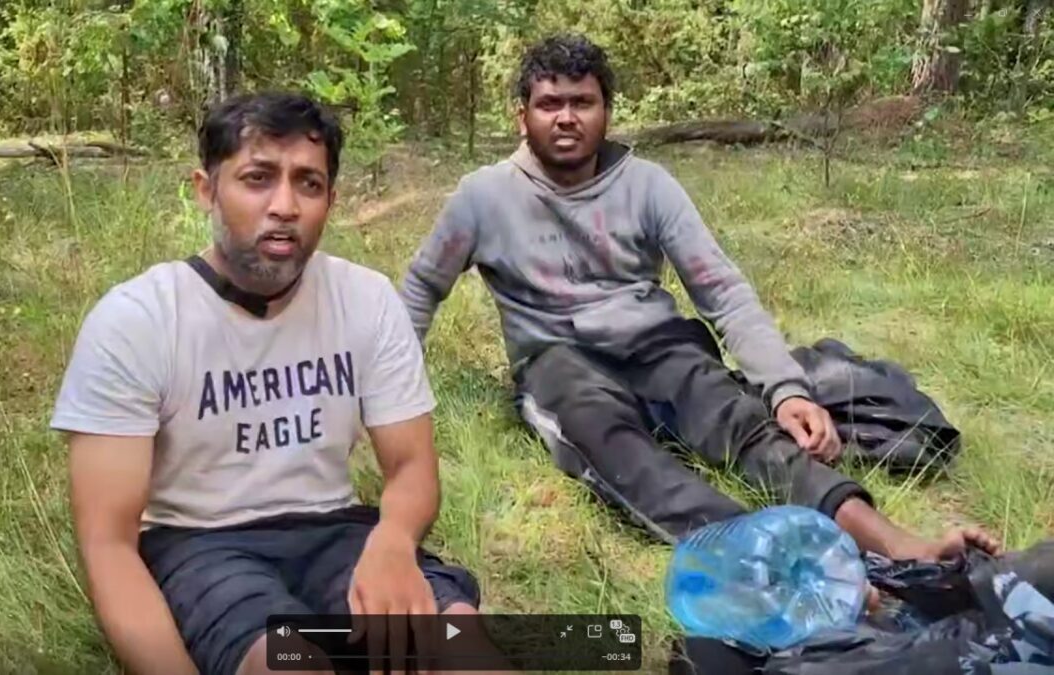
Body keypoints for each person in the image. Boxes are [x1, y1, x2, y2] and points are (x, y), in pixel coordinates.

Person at [399, 33, 1000, 563]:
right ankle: (767, 555)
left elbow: (722, 291)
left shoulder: (647, 185)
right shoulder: (483, 197)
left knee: (743, 420)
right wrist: (385, 389)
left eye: (582, 102)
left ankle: (896, 543)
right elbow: (422, 288)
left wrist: (786, 390)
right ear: (522, 116)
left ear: (607, 112)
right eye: (549, 104)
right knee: (614, 448)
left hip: (658, 345)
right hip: (558, 359)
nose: (566, 118)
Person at [51, 91, 484, 675]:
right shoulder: (137, 320)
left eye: (309, 184)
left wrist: (394, 542)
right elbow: (108, 543)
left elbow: (411, 467)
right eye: (257, 179)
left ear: (330, 200)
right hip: (200, 544)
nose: (284, 206)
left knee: (464, 650)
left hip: (337, 533)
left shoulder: (366, 299)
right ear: (206, 190)